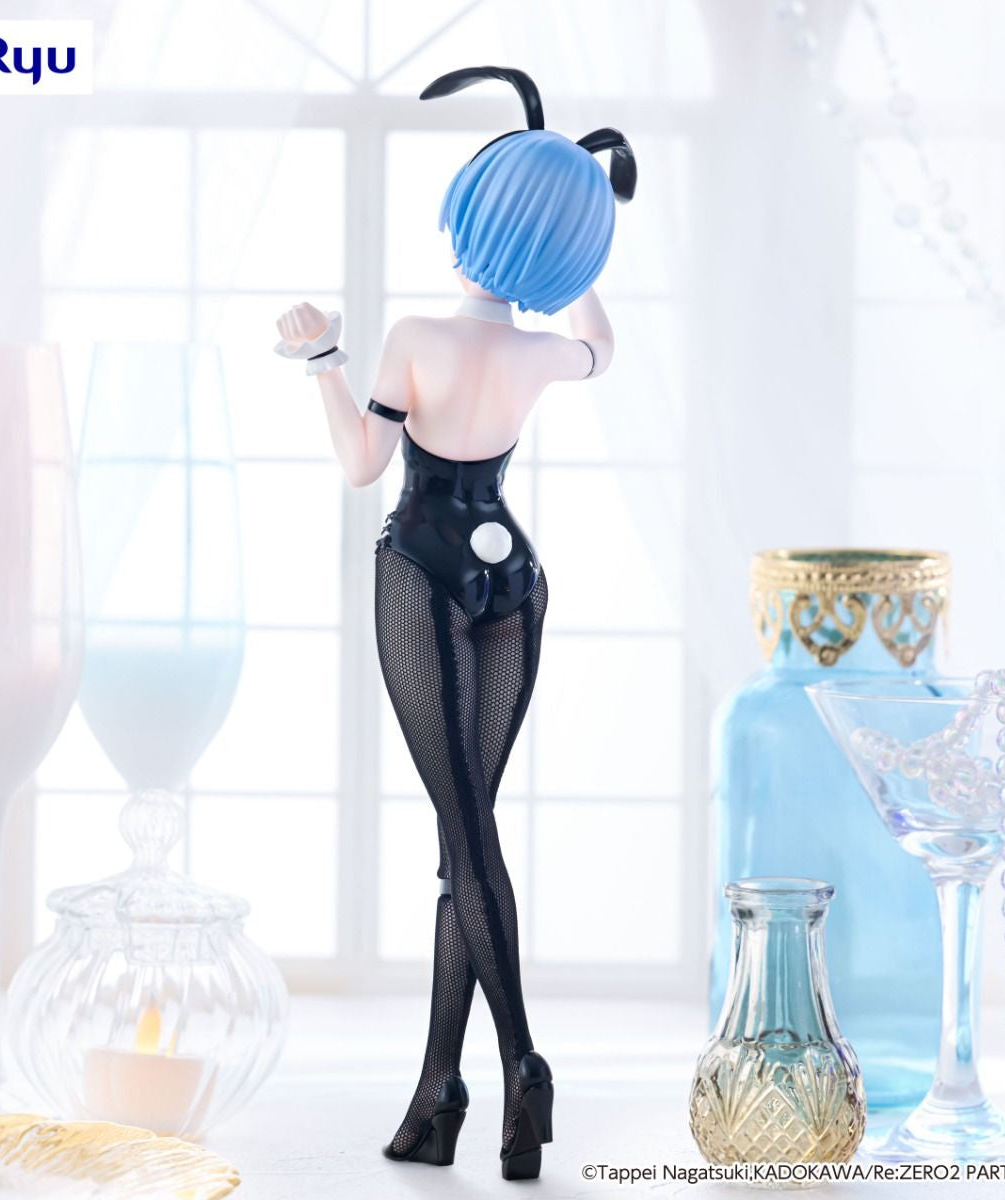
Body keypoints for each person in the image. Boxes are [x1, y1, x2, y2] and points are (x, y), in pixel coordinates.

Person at [275, 66, 634, 1182]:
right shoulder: (541, 353)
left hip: (425, 570)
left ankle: (522, 1060)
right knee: (463, 836)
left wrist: (322, 362)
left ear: (470, 219)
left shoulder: (418, 336)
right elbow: (602, 345)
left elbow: (361, 463)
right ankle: (441, 1090)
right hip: (514, 579)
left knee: (465, 835)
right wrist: (577, 240)